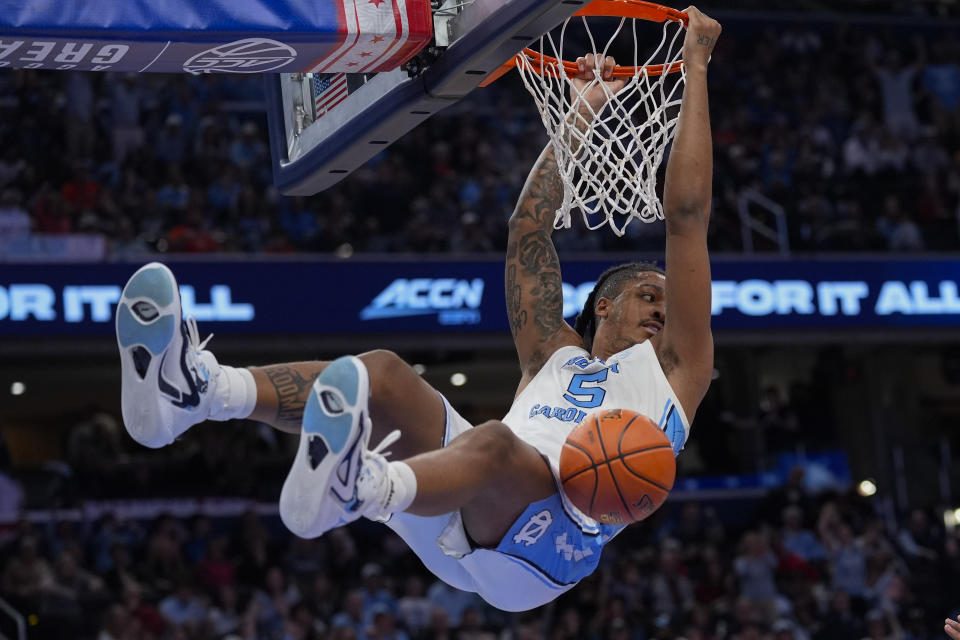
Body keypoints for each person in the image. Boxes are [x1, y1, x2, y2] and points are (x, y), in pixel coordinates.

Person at [114, 7, 720, 612]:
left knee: (496, 446)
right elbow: (528, 231)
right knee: (379, 376)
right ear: (603, 306)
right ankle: (194, 392)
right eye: (649, 295)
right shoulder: (554, 354)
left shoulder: (676, 374)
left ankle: (359, 488)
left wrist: (694, 66)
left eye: (667, 300)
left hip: (545, 552)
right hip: (456, 495)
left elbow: (687, 218)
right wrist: (583, 112)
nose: (665, 309)